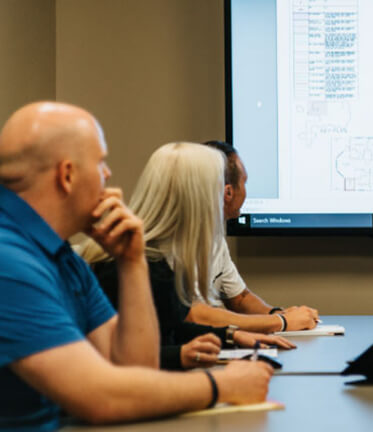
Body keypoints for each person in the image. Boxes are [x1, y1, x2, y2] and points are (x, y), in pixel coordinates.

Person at [0, 102, 272, 429]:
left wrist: (132, 262)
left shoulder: (62, 258)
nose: (108, 174)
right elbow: (99, 397)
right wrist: (222, 386)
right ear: (68, 174)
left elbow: (135, 368)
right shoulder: (9, 262)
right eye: (100, 162)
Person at [80, 142, 295, 370]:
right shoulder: (126, 264)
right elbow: (128, 362)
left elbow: (172, 325)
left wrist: (232, 336)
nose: (225, 198)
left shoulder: (156, 262)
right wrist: (210, 379)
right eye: (219, 192)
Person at [178, 140, 319, 333]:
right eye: (244, 182)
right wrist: (281, 322)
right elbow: (194, 314)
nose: (246, 190)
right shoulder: (177, 239)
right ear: (228, 192)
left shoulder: (214, 234)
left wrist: (276, 314)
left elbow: (239, 298)